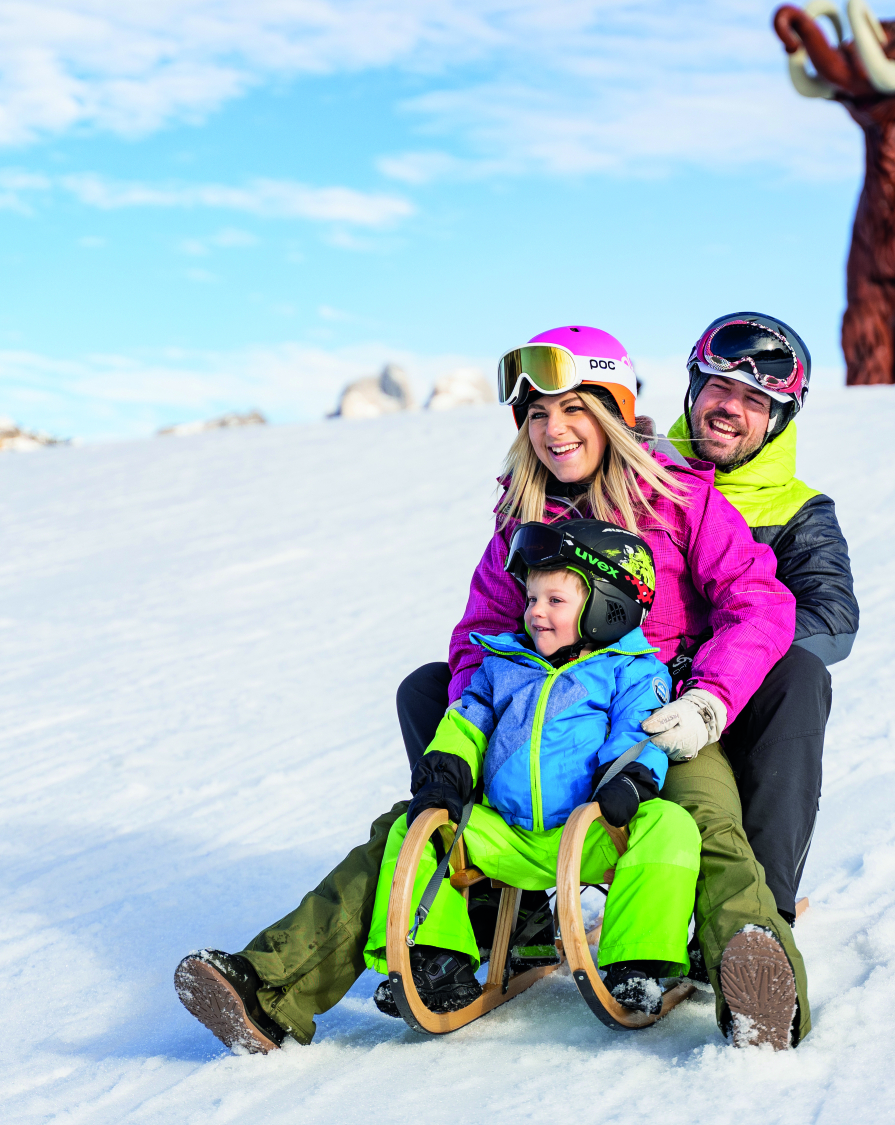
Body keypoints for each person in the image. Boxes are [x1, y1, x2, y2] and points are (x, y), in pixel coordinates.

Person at [178, 325, 803, 1053]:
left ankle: (760, 996)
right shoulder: (520, 520)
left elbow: (759, 601)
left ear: (608, 410)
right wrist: (468, 739)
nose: (553, 430)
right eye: (536, 414)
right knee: (408, 830)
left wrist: (707, 698)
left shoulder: (676, 500)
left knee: (702, 818)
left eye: (572, 409)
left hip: (650, 715)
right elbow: (478, 637)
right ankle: (268, 989)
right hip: (538, 717)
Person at [363, 519, 698, 1019]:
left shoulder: (632, 669)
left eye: (555, 601)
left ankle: (637, 967)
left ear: (608, 607)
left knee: (671, 827)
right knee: (413, 827)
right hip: (507, 838)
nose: (535, 613)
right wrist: (444, 776)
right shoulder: (503, 665)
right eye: (531, 599)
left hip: (592, 832)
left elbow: (637, 732)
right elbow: (466, 722)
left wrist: (629, 780)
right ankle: (435, 962)